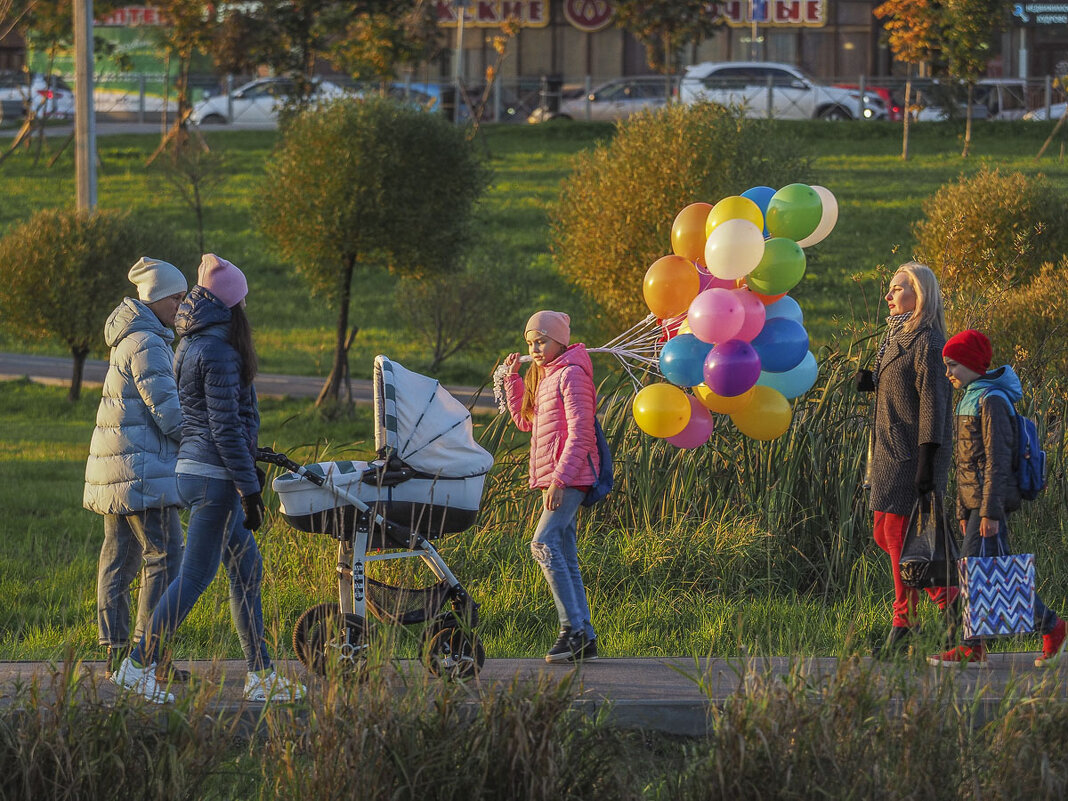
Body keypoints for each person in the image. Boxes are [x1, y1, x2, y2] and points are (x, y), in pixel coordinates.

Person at [113, 254, 304, 703]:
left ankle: (260, 674)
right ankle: (137, 663)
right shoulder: (218, 350)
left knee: (246, 569)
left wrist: (247, 467)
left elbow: (212, 421)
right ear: (232, 304)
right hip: (214, 478)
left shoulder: (193, 341)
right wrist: (249, 487)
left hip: (197, 470)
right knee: (197, 574)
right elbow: (224, 427)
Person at [928, 329, 1066, 667]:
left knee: (980, 571)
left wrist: (988, 511)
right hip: (977, 504)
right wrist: (963, 508)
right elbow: (965, 461)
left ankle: (984, 644)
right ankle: (1045, 628)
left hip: (991, 503)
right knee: (986, 572)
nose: (948, 373)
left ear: (973, 364)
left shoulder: (991, 400)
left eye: (953, 365)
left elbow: (997, 460)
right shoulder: (971, 396)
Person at [84, 257, 188, 682]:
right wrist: (213, 441)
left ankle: (117, 655)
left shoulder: (132, 336)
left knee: (119, 560)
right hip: (143, 470)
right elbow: (170, 415)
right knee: (167, 558)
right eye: (177, 298)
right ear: (156, 298)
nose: (182, 306)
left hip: (119, 468)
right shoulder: (146, 341)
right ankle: (149, 658)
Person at [855, 262, 958, 656]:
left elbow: (934, 404)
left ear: (920, 295)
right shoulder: (898, 335)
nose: (889, 295)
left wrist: (927, 464)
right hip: (887, 452)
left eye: (897, 289)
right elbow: (903, 388)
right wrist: (874, 382)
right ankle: (949, 609)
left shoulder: (929, 343)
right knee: (888, 535)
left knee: (902, 539)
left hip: (911, 456)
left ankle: (908, 625)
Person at [503, 310, 600, 664]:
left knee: (542, 544)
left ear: (561, 339)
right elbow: (524, 421)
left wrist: (560, 481)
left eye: (541, 341)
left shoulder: (572, 376)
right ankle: (585, 636)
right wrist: (512, 380)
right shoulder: (544, 378)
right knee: (565, 554)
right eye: (531, 343)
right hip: (558, 477)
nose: (536, 348)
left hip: (571, 477)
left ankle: (570, 630)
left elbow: (582, 433)